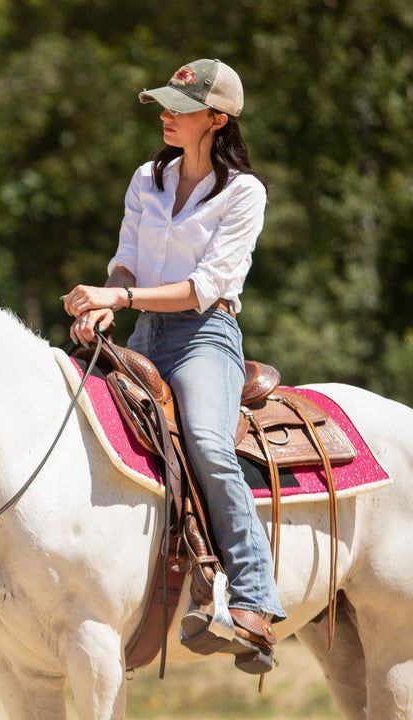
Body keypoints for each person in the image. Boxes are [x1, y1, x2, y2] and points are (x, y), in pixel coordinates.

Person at [62, 58, 286, 674]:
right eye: (165, 104)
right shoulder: (146, 179)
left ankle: (254, 598)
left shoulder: (245, 193)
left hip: (204, 338)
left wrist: (118, 298)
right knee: (64, 420)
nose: (166, 114)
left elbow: (204, 287)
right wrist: (109, 305)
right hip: (140, 332)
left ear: (216, 120)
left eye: (182, 109)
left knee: (210, 446)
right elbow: (127, 260)